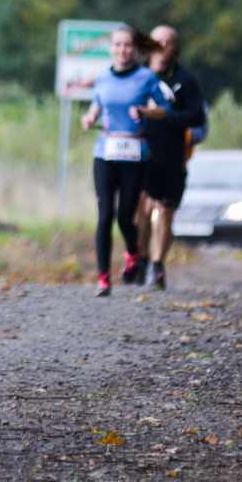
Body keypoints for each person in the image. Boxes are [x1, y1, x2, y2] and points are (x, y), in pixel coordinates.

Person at [80, 25, 170, 297]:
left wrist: (145, 112)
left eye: (127, 45)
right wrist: (90, 117)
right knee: (105, 215)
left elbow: (164, 109)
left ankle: (132, 252)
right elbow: (97, 104)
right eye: (117, 45)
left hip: (134, 155)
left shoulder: (146, 77)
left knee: (125, 218)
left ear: (135, 48)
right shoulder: (103, 76)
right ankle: (103, 278)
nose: (122, 50)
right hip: (105, 153)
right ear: (111, 48)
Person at [133, 25, 207, 290]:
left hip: (171, 154)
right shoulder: (137, 75)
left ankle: (157, 266)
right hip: (139, 152)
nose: (164, 46)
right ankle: (140, 259)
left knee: (165, 211)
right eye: (159, 41)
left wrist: (167, 116)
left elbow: (197, 117)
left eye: (170, 41)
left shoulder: (186, 80)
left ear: (176, 47)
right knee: (139, 210)